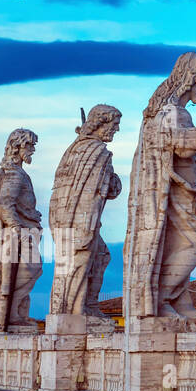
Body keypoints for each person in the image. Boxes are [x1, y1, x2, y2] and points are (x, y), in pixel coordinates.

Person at [125, 52, 196, 321]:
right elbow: (179, 145)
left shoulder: (170, 111)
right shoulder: (171, 112)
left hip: (183, 189)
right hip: (172, 192)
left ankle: (179, 301)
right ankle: (161, 297)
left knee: (175, 244)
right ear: (192, 78)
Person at [49, 105, 122, 316]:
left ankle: (86, 306)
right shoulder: (98, 152)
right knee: (79, 264)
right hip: (83, 222)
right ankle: (74, 313)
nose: (116, 130)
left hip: (64, 220)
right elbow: (110, 190)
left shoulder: (72, 150)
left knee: (100, 255)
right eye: (114, 125)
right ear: (101, 123)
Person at [0, 128, 43, 330]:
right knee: (33, 268)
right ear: (17, 147)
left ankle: (14, 314)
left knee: (27, 271)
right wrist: (16, 228)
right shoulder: (14, 174)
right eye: (29, 146)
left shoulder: (15, 172)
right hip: (19, 233)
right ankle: (13, 314)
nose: (32, 150)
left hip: (23, 231)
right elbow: (5, 202)